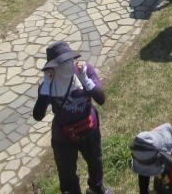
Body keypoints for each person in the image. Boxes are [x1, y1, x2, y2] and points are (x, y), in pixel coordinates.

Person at [33, 42, 114, 194]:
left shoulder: (84, 71)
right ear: (53, 68)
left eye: (68, 60)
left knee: (95, 161)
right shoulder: (49, 85)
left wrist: (85, 80)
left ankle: (96, 188)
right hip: (64, 137)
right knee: (67, 174)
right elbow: (38, 115)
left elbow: (101, 99)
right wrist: (46, 87)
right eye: (61, 63)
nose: (67, 65)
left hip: (89, 128)